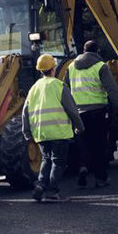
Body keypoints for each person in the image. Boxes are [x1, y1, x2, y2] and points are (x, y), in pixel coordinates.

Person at [23, 54, 84, 202]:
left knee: (46, 159)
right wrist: (79, 127)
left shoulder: (34, 88)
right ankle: (52, 191)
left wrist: (26, 132)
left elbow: (25, 111)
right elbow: (72, 110)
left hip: (41, 132)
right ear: (53, 68)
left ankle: (41, 185)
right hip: (59, 131)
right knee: (58, 161)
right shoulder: (59, 85)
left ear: (40, 70)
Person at [66, 40, 118, 188]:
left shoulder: (71, 66)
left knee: (83, 143)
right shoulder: (100, 66)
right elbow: (111, 89)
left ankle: (82, 166)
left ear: (83, 50)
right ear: (97, 51)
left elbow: (65, 88)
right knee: (99, 145)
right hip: (98, 111)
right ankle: (101, 178)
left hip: (78, 112)